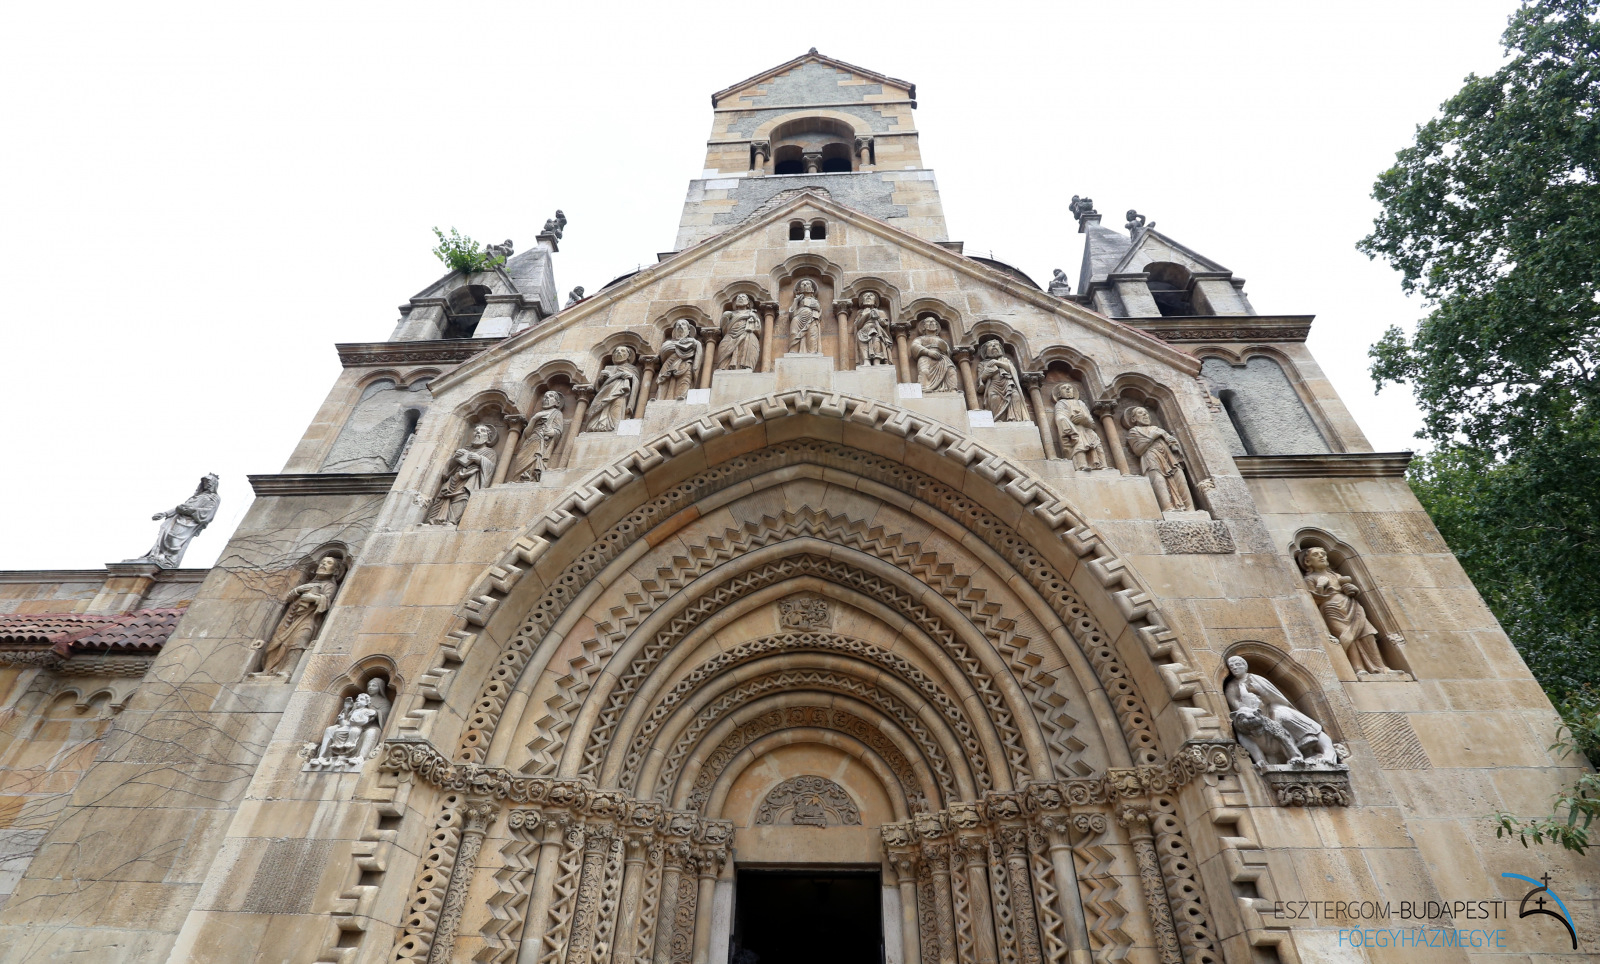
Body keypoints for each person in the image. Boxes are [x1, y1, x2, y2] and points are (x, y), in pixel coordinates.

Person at [1223, 655, 1337, 766]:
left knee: (1283, 714)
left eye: (1238, 664)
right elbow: (1235, 704)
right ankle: (1266, 759)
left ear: (1245, 666)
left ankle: (1311, 738)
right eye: (1232, 666)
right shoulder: (1232, 686)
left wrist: (1259, 691)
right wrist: (1246, 703)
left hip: (1268, 710)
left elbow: (1271, 695)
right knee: (1244, 728)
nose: (1235, 668)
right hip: (1251, 715)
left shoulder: (1256, 679)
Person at [1301, 547, 1396, 675]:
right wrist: (1319, 586)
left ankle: (1381, 667)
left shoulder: (1336, 575)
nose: (1321, 556)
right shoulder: (1310, 579)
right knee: (1347, 636)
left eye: (1323, 554)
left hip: (1351, 606)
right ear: (1307, 562)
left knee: (1367, 633)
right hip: (1332, 609)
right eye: (1316, 554)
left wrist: (1351, 590)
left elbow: (1349, 590)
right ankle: (1358, 668)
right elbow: (1314, 600)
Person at [260, 555, 343, 675]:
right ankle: (267, 670)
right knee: (276, 641)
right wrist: (297, 590)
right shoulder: (308, 583)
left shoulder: (329, 585)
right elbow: (288, 598)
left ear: (335, 571)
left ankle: (287, 670)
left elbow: (326, 600)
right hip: (291, 617)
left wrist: (312, 597)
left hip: (308, 618)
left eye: (329, 563)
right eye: (322, 562)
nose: (323, 564)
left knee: (299, 640)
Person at [134, 474, 220, 568]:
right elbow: (180, 507)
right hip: (177, 518)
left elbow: (208, 513)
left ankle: (169, 561)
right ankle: (157, 556)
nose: (207, 484)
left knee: (173, 539)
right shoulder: (196, 496)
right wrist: (165, 513)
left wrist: (190, 510)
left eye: (209, 482)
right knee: (165, 534)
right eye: (205, 482)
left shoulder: (214, 498)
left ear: (214, 484)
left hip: (189, 522)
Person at [1121, 406, 1192, 511]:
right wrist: (1152, 436)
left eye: (1146, 413)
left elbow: (1174, 446)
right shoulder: (1134, 431)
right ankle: (1168, 508)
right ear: (1133, 419)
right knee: (1158, 481)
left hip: (1169, 457)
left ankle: (1190, 509)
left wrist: (1173, 443)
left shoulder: (1158, 429)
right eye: (1140, 413)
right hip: (1151, 458)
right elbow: (1138, 450)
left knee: (1181, 480)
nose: (1145, 415)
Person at [425, 424, 497, 525]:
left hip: (469, 481)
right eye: (476, 430)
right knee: (442, 497)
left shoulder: (490, 452)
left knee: (462, 498)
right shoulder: (466, 449)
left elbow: (490, 469)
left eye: (482, 431)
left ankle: (451, 521)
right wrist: (455, 458)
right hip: (453, 479)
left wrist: (480, 459)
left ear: (488, 437)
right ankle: (432, 520)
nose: (478, 432)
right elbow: (448, 470)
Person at [512, 391, 566, 482]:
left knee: (535, 457)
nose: (547, 398)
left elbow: (558, 430)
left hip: (541, 442)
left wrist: (552, 432)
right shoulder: (538, 414)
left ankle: (530, 477)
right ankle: (518, 479)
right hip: (531, 440)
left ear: (557, 402)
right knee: (520, 458)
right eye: (545, 396)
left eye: (551, 396)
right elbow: (526, 433)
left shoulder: (557, 413)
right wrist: (534, 419)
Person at [584, 346, 641, 432]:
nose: (619, 352)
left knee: (616, 408)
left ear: (629, 356)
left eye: (622, 351)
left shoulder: (632, 369)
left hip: (620, 392)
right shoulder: (608, 368)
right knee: (598, 407)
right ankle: (596, 427)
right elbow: (598, 387)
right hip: (604, 393)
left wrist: (630, 377)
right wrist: (601, 379)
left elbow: (636, 382)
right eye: (616, 351)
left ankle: (614, 428)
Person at [1052, 383, 1106, 470]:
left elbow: (1092, 424)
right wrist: (1070, 425)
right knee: (1079, 441)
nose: (1067, 389)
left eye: (1070, 387)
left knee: (1096, 442)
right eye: (1064, 388)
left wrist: (1084, 419)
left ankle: (1102, 465)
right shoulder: (1060, 404)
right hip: (1072, 429)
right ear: (1059, 394)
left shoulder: (1081, 403)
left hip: (1086, 428)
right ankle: (1082, 465)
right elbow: (1060, 416)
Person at [976, 339, 1028, 421]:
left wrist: (997, 363)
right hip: (994, 386)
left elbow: (1011, 369)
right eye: (990, 345)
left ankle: (1016, 419)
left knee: (1015, 396)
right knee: (994, 398)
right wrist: (987, 372)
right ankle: (998, 419)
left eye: (996, 345)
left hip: (1008, 383)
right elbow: (981, 379)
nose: (994, 346)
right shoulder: (982, 364)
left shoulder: (1005, 360)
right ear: (986, 352)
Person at [911, 315, 960, 392]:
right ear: (924, 326)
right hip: (926, 357)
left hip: (941, 358)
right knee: (924, 371)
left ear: (937, 327)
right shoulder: (920, 339)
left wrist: (944, 349)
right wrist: (928, 352)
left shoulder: (941, 340)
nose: (931, 323)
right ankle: (924, 388)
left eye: (933, 322)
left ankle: (952, 389)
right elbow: (915, 346)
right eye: (928, 321)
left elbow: (948, 352)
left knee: (951, 370)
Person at [657, 319, 703, 397]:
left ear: (688, 330)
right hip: (669, 364)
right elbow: (663, 353)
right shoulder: (668, 343)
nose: (680, 325)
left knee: (685, 381)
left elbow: (699, 353)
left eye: (683, 324)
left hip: (686, 364)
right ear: (674, 331)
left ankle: (681, 397)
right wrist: (677, 346)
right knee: (664, 382)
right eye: (678, 325)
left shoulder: (694, 342)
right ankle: (662, 398)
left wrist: (695, 343)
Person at [716, 295, 761, 371]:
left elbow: (757, 330)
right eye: (738, 297)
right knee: (724, 348)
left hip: (746, 334)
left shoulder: (752, 314)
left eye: (743, 297)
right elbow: (724, 329)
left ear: (748, 303)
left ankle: (745, 367)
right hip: (730, 335)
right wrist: (725, 317)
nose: (740, 298)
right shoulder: (730, 314)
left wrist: (753, 317)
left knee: (747, 345)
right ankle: (723, 367)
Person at [854, 291, 890, 366]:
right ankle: (866, 361)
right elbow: (858, 325)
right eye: (865, 296)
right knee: (862, 342)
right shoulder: (860, 312)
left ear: (875, 300)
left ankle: (877, 361)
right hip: (863, 331)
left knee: (876, 341)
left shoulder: (880, 312)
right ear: (862, 301)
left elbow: (886, 324)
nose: (868, 297)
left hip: (876, 329)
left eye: (871, 295)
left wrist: (880, 320)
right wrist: (865, 315)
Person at [788, 279, 822, 354]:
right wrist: (796, 301)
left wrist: (804, 302)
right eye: (803, 284)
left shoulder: (814, 300)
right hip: (798, 318)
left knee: (812, 337)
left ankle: (812, 352)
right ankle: (794, 350)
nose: (805, 285)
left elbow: (817, 307)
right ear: (799, 289)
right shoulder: (797, 300)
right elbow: (791, 314)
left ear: (812, 289)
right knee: (794, 333)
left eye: (807, 284)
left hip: (812, 319)